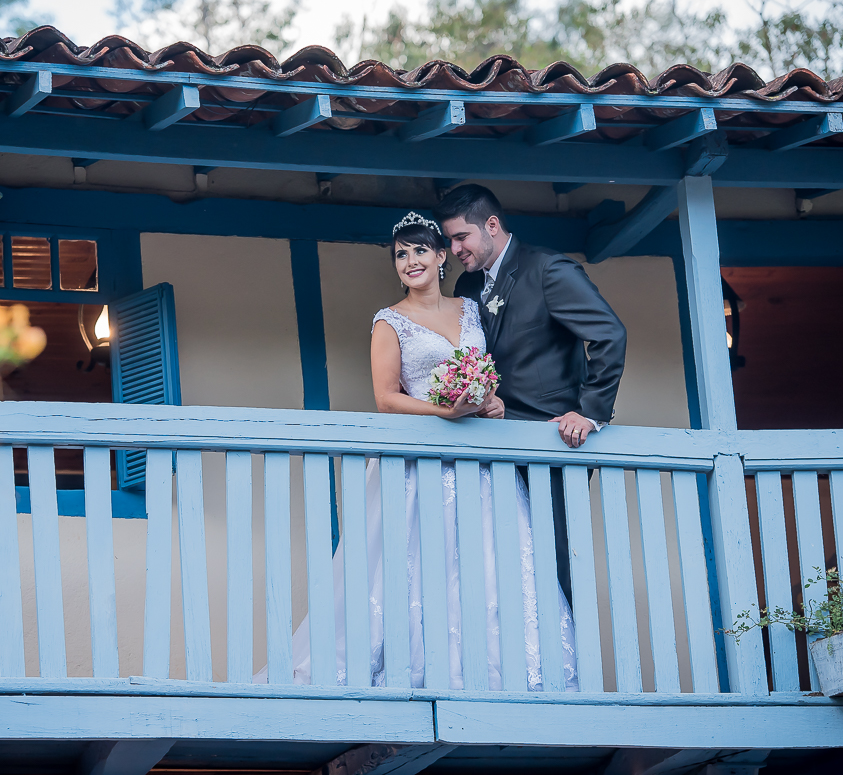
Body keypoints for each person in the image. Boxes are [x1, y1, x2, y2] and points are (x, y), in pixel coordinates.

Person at [268, 212, 578, 691]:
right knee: (416, 568)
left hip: (483, 466)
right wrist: (445, 412)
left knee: (495, 565)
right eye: (400, 254)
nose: (410, 261)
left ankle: (506, 674)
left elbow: (496, 373)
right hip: (422, 465)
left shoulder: (473, 310)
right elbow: (386, 398)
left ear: (440, 257)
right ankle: (417, 671)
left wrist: (491, 401)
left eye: (419, 251)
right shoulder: (390, 322)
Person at [438, 183, 628, 607]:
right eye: (449, 240)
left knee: (553, 564)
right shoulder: (467, 290)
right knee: (499, 567)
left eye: (460, 236)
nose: (454, 249)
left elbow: (609, 335)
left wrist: (590, 412)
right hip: (490, 447)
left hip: (550, 445)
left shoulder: (549, 270)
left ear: (491, 225)